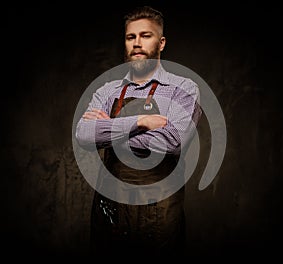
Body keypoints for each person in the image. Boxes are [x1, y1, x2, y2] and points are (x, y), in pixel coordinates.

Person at [75, 5, 201, 257]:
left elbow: (173, 142)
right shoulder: (107, 90)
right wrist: (140, 122)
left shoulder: (183, 88)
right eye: (131, 37)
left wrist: (108, 129)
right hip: (109, 208)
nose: (137, 43)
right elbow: (84, 135)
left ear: (161, 42)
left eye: (146, 36)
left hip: (160, 212)